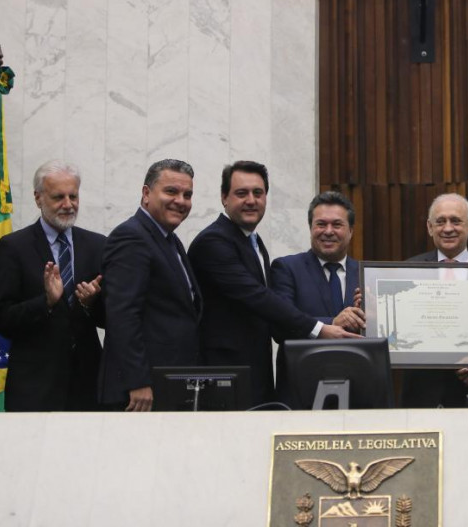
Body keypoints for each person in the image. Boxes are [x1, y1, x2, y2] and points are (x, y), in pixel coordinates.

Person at [188, 162, 352, 407]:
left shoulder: (253, 241)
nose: (251, 200)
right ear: (224, 198)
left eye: (258, 193)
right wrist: (320, 328)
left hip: (255, 373)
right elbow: (257, 297)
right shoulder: (214, 241)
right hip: (224, 375)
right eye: (241, 193)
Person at [0, 160, 105, 411]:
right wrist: (45, 302)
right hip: (34, 387)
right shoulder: (13, 247)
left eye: (73, 196)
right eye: (58, 197)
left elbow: (113, 318)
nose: (68, 205)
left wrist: (90, 303)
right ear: (38, 198)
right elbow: (2, 318)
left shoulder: (98, 245)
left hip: (87, 387)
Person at [98, 159, 202, 411]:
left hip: (169, 385)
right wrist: (138, 381)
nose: (181, 201)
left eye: (187, 194)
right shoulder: (131, 237)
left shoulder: (169, 240)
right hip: (140, 394)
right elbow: (122, 314)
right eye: (171, 191)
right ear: (146, 194)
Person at [401, 193, 468, 407]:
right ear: (429, 227)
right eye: (440, 221)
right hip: (421, 394)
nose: (447, 228)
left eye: (455, 220)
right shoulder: (407, 270)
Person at [270, 191, 364, 404]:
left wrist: (370, 319)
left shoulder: (365, 274)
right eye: (321, 224)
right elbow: (280, 326)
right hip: (301, 393)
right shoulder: (286, 268)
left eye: (337, 225)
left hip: (358, 392)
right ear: (310, 228)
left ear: (351, 231)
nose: (328, 231)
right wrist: (331, 323)